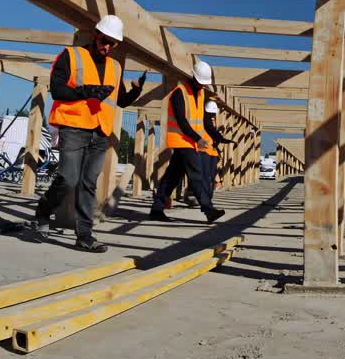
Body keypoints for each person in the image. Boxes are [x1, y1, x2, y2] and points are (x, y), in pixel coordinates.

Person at [30, 15, 143, 253]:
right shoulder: (71, 56)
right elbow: (57, 90)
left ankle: (84, 236)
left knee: (88, 184)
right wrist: (85, 92)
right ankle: (42, 211)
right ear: (96, 35)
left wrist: (135, 92)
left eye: (113, 43)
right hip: (73, 126)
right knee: (68, 179)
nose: (107, 46)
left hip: (100, 132)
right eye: (105, 40)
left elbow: (119, 100)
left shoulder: (115, 66)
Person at [149, 60, 224, 224]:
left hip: (191, 141)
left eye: (204, 84)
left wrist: (215, 135)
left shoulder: (201, 93)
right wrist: (198, 139)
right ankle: (208, 209)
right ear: (193, 77)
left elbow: (203, 121)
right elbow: (182, 122)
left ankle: (157, 208)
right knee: (196, 174)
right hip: (182, 139)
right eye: (200, 82)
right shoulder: (179, 93)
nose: (202, 86)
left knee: (172, 176)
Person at [200, 99, 232, 206]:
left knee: (209, 176)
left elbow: (213, 135)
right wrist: (222, 139)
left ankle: (206, 197)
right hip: (205, 152)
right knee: (206, 176)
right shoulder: (206, 121)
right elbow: (212, 133)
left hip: (211, 153)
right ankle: (205, 198)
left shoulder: (207, 121)